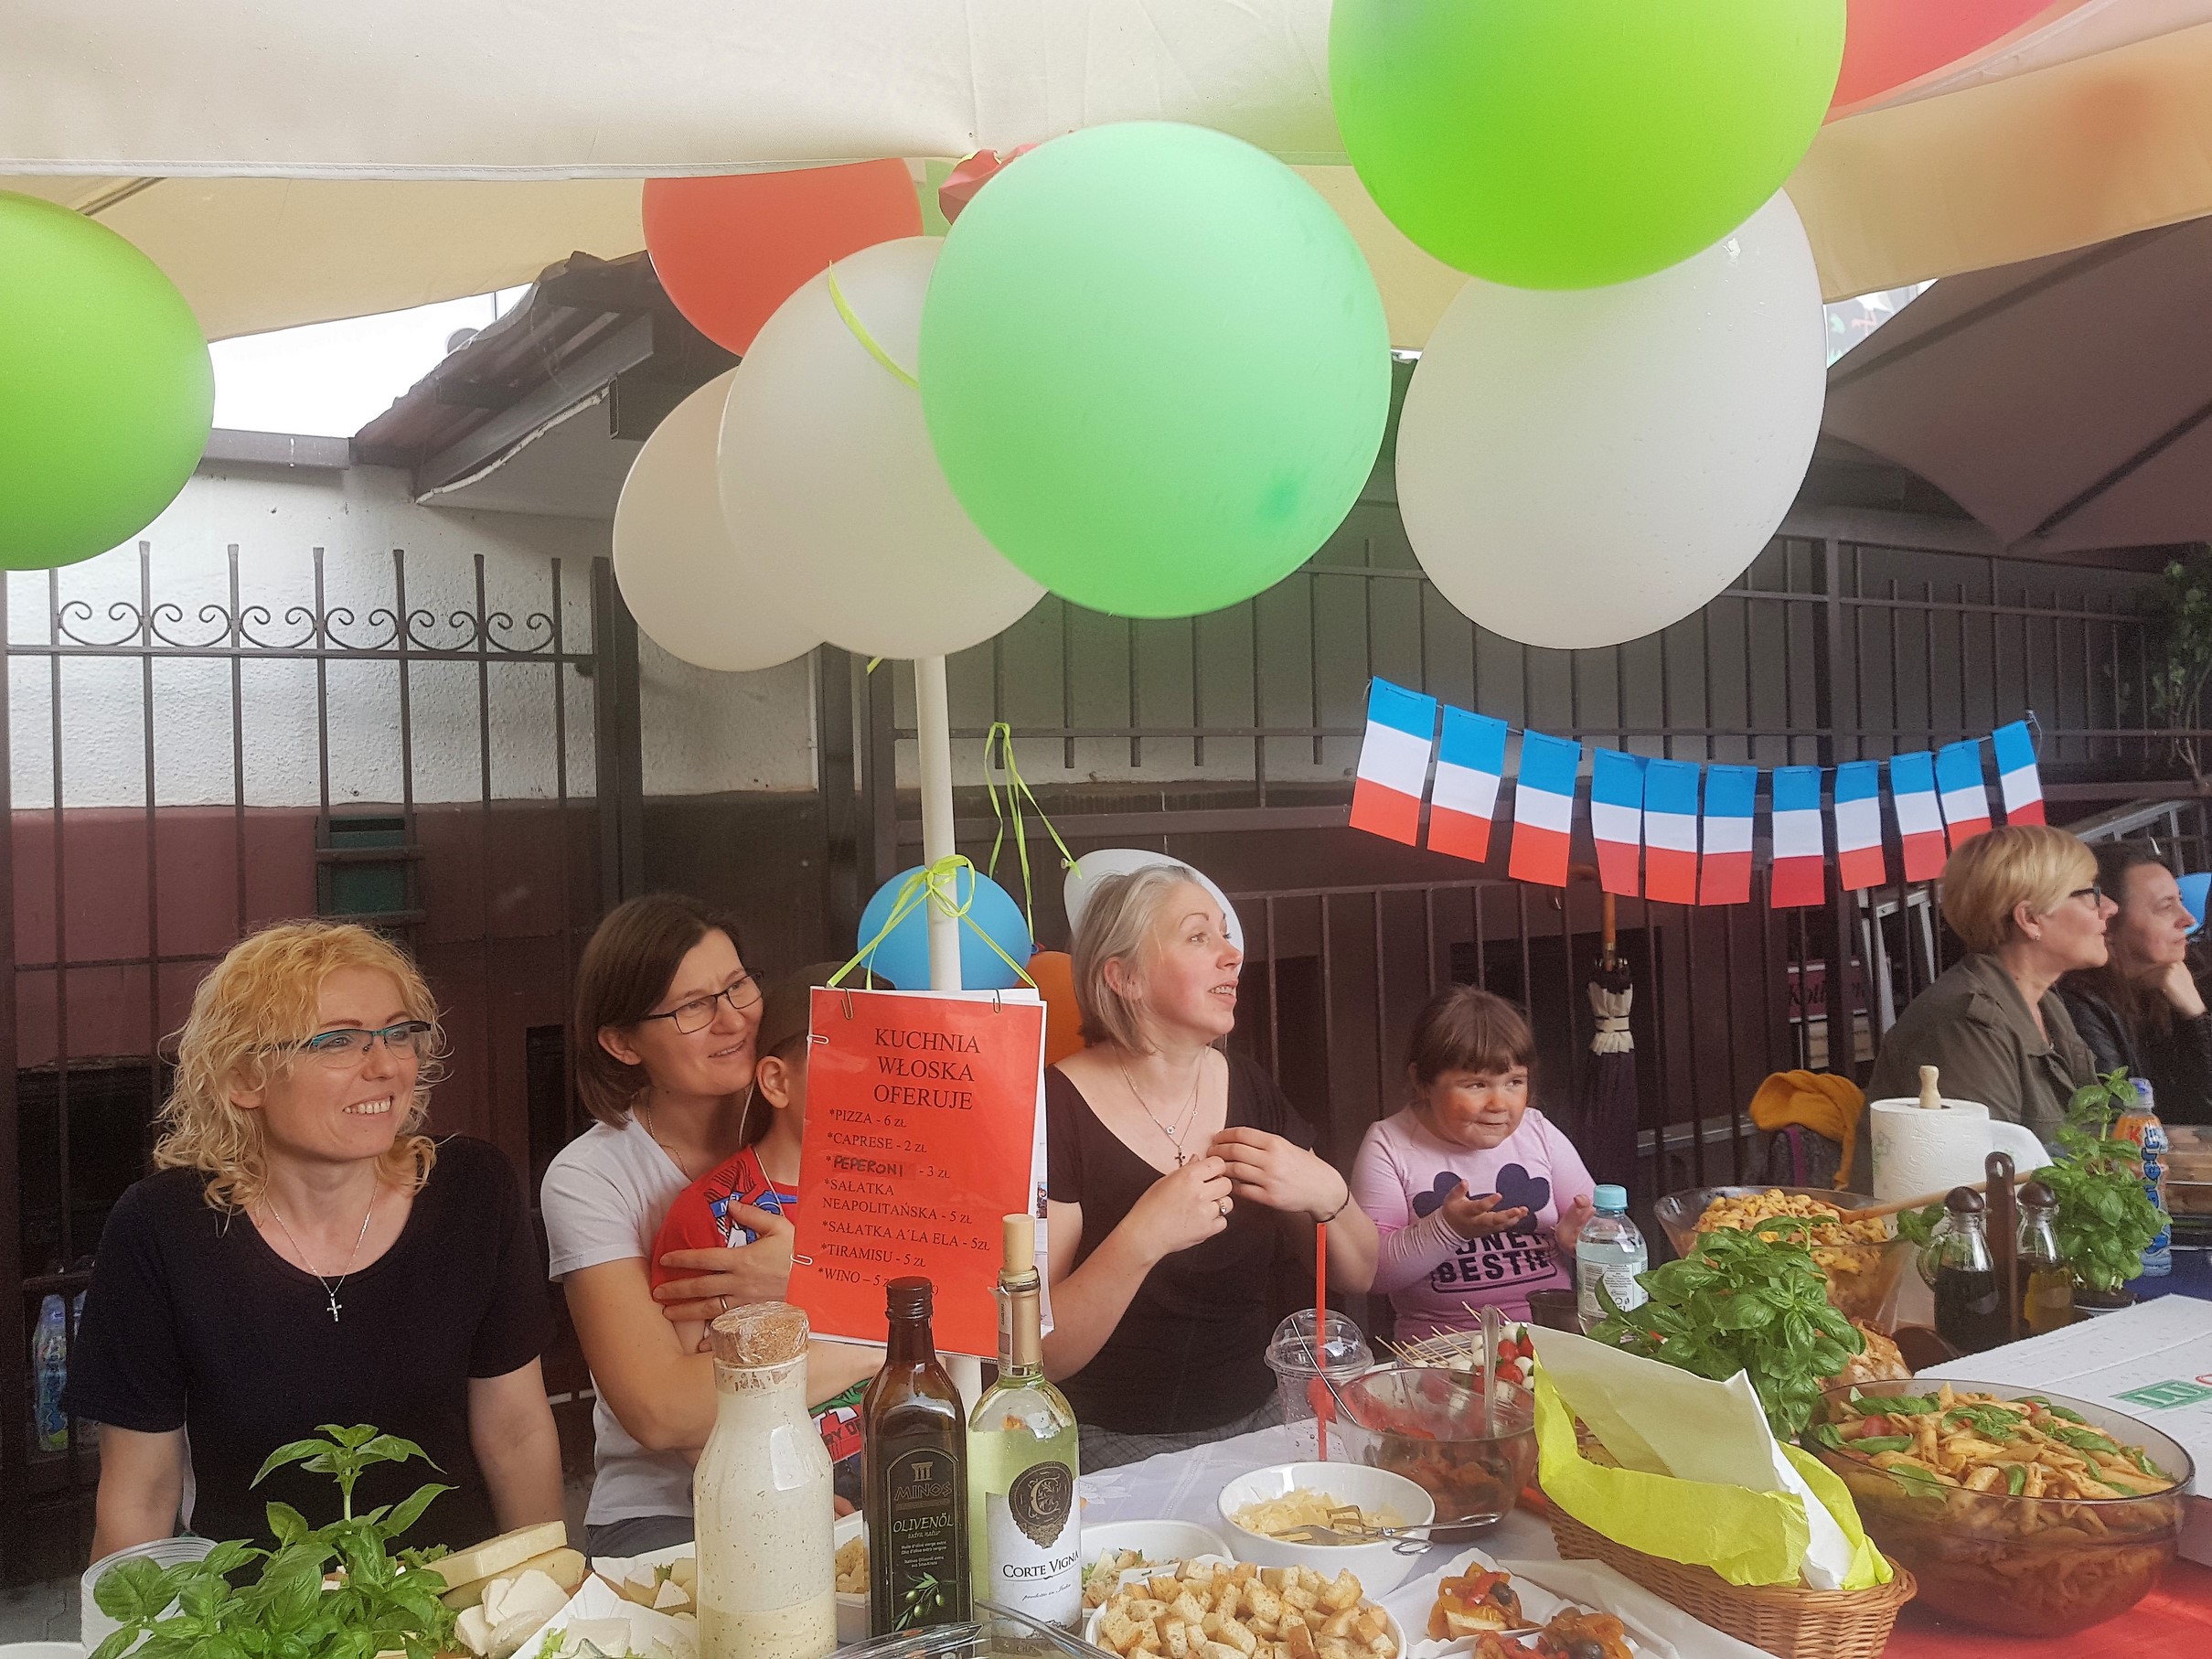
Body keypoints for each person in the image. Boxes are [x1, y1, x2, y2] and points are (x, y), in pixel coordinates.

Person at [65, 922, 561, 1557]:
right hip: (260, 1607)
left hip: (458, 1594)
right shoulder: (161, 1228)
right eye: (337, 1041)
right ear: (244, 1078)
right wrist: (121, 1618)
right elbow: (141, 1492)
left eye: (398, 1033)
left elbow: (516, 1430)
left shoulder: (472, 1190)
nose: (386, 1066)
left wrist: (551, 1585)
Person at [541, 900, 878, 1555]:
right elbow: (662, 1410)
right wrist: (866, 1326)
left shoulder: (838, 1127)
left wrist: (808, 1282)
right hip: (671, 1512)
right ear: (622, 1042)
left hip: (861, 1477)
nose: (733, 1019)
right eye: (692, 1007)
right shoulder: (591, 1176)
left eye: (737, 985)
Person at [1042, 863, 1379, 1469]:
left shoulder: (1248, 1083)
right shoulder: (1054, 1109)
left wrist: (1327, 1191)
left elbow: (1359, 1272)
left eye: (1225, 934)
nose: (1233, 955)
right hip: (1109, 1443)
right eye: (1199, 936)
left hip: (1265, 1420)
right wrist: (1142, 1237)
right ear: (1123, 976)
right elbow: (1040, 1354)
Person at [650, 962, 874, 1494]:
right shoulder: (710, 1212)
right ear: (777, 1080)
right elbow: (693, 1416)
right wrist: (774, 1496)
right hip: (776, 1480)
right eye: (850, 1058)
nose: (876, 1084)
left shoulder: (915, 1202)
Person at [1350, 986, 1597, 1339]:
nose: (1499, 1104)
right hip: (1442, 1345)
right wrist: (1447, 1228)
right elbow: (1371, 1270)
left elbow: (1608, 1233)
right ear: (1422, 1082)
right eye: (1477, 1085)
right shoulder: (1390, 1145)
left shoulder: (1538, 1132)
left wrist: (1584, 1241)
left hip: (1551, 1335)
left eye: (1514, 1082)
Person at [1865, 824, 2110, 1143]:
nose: (2109, 908)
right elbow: (1993, 1166)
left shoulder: (2046, 1004)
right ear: (2030, 919)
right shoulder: (1966, 1022)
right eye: (2090, 895)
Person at [2057, 842, 2212, 1125]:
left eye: (2179, 900)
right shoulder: (2080, 1004)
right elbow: (2121, 1124)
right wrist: (2196, 1019)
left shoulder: (2186, 977)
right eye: (2165, 907)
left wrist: (2196, 1016)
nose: (2187, 919)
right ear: (2108, 922)